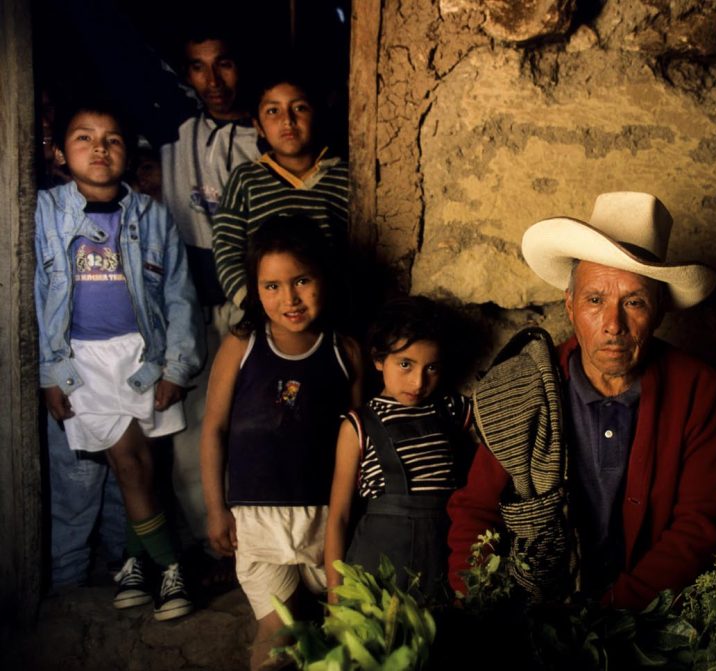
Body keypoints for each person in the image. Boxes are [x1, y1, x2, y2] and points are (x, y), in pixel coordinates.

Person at [447, 191, 716, 610]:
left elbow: (699, 525)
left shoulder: (696, 389)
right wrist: (482, 609)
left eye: (633, 302)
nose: (613, 325)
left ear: (659, 312)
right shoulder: (522, 389)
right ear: (570, 305)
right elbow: (474, 513)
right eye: (595, 300)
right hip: (534, 613)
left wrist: (608, 618)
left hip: (647, 617)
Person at [34, 100, 204, 620]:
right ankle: (167, 570)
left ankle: (131, 567)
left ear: (128, 154)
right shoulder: (44, 211)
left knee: (142, 469)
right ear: (60, 152)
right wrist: (50, 371)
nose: (99, 148)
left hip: (141, 357)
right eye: (83, 138)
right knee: (120, 467)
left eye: (112, 139)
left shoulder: (151, 215)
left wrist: (177, 365)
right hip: (81, 363)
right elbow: (39, 293)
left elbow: (179, 293)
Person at [200, 218, 361, 671]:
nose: (288, 298)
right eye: (271, 286)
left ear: (324, 277)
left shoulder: (344, 351)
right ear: (254, 288)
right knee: (278, 631)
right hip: (257, 520)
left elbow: (357, 438)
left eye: (302, 281)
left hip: (325, 518)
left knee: (336, 624)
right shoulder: (243, 344)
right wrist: (216, 509)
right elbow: (213, 428)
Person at [162, 24, 263, 556]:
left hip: (257, 304)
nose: (213, 79)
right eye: (198, 67)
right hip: (193, 304)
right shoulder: (174, 134)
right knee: (191, 432)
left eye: (223, 63)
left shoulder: (267, 134)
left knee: (257, 425)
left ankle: (259, 546)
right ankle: (212, 544)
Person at [325, 297, 473, 602]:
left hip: (442, 560)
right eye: (405, 364)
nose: (418, 382)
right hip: (378, 566)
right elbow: (338, 515)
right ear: (379, 360)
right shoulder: (358, 425)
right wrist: (334, 594)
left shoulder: (451, 410)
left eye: (431, 367)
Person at [213, 68, 351, 310]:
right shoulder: (246, 179)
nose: (287, 120)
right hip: (264, 310)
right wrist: (253, 304)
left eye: (299, 108)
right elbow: (227, 248)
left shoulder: (345, 177)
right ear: (258, 126)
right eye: (273, 111)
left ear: (316, 114)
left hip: (331, 309)